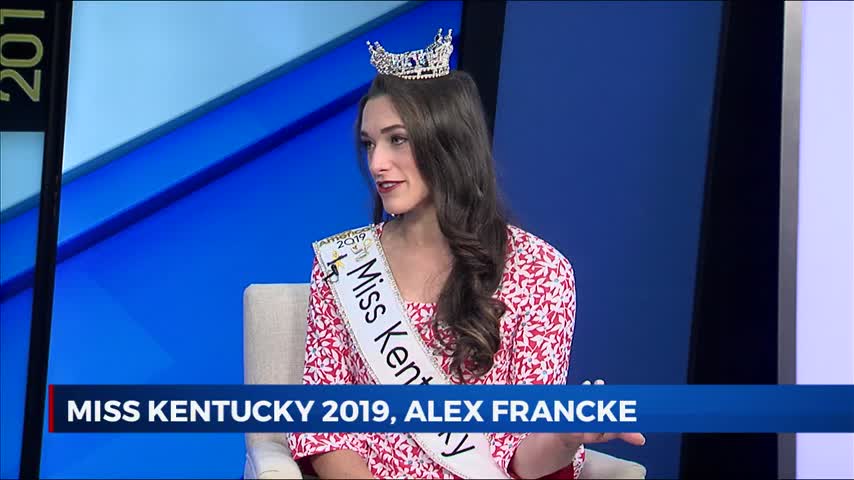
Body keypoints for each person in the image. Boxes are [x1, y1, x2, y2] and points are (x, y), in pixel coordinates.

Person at [288, 28, 644, 479]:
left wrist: (566, 434)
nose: (377, 163)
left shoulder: (542, 272)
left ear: (448, 142)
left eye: (398, 139)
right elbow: (325, 428)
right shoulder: (344, 264)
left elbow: (524, 456)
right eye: (369, 143)